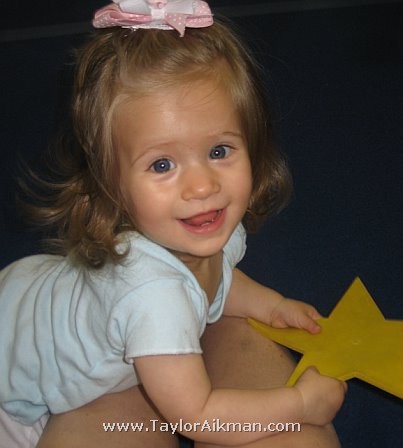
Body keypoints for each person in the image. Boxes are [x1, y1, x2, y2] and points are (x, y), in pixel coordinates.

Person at [0, 1, 346, 447]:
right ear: (111, 184)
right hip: (17, 382)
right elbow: (199, 416)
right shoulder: (152, 298)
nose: (202, 186)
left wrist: (271, 305)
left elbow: (217, 279)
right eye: (162, 164)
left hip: (33, 298)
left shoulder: (197, 232)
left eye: (219, 151)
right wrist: (298, 405)